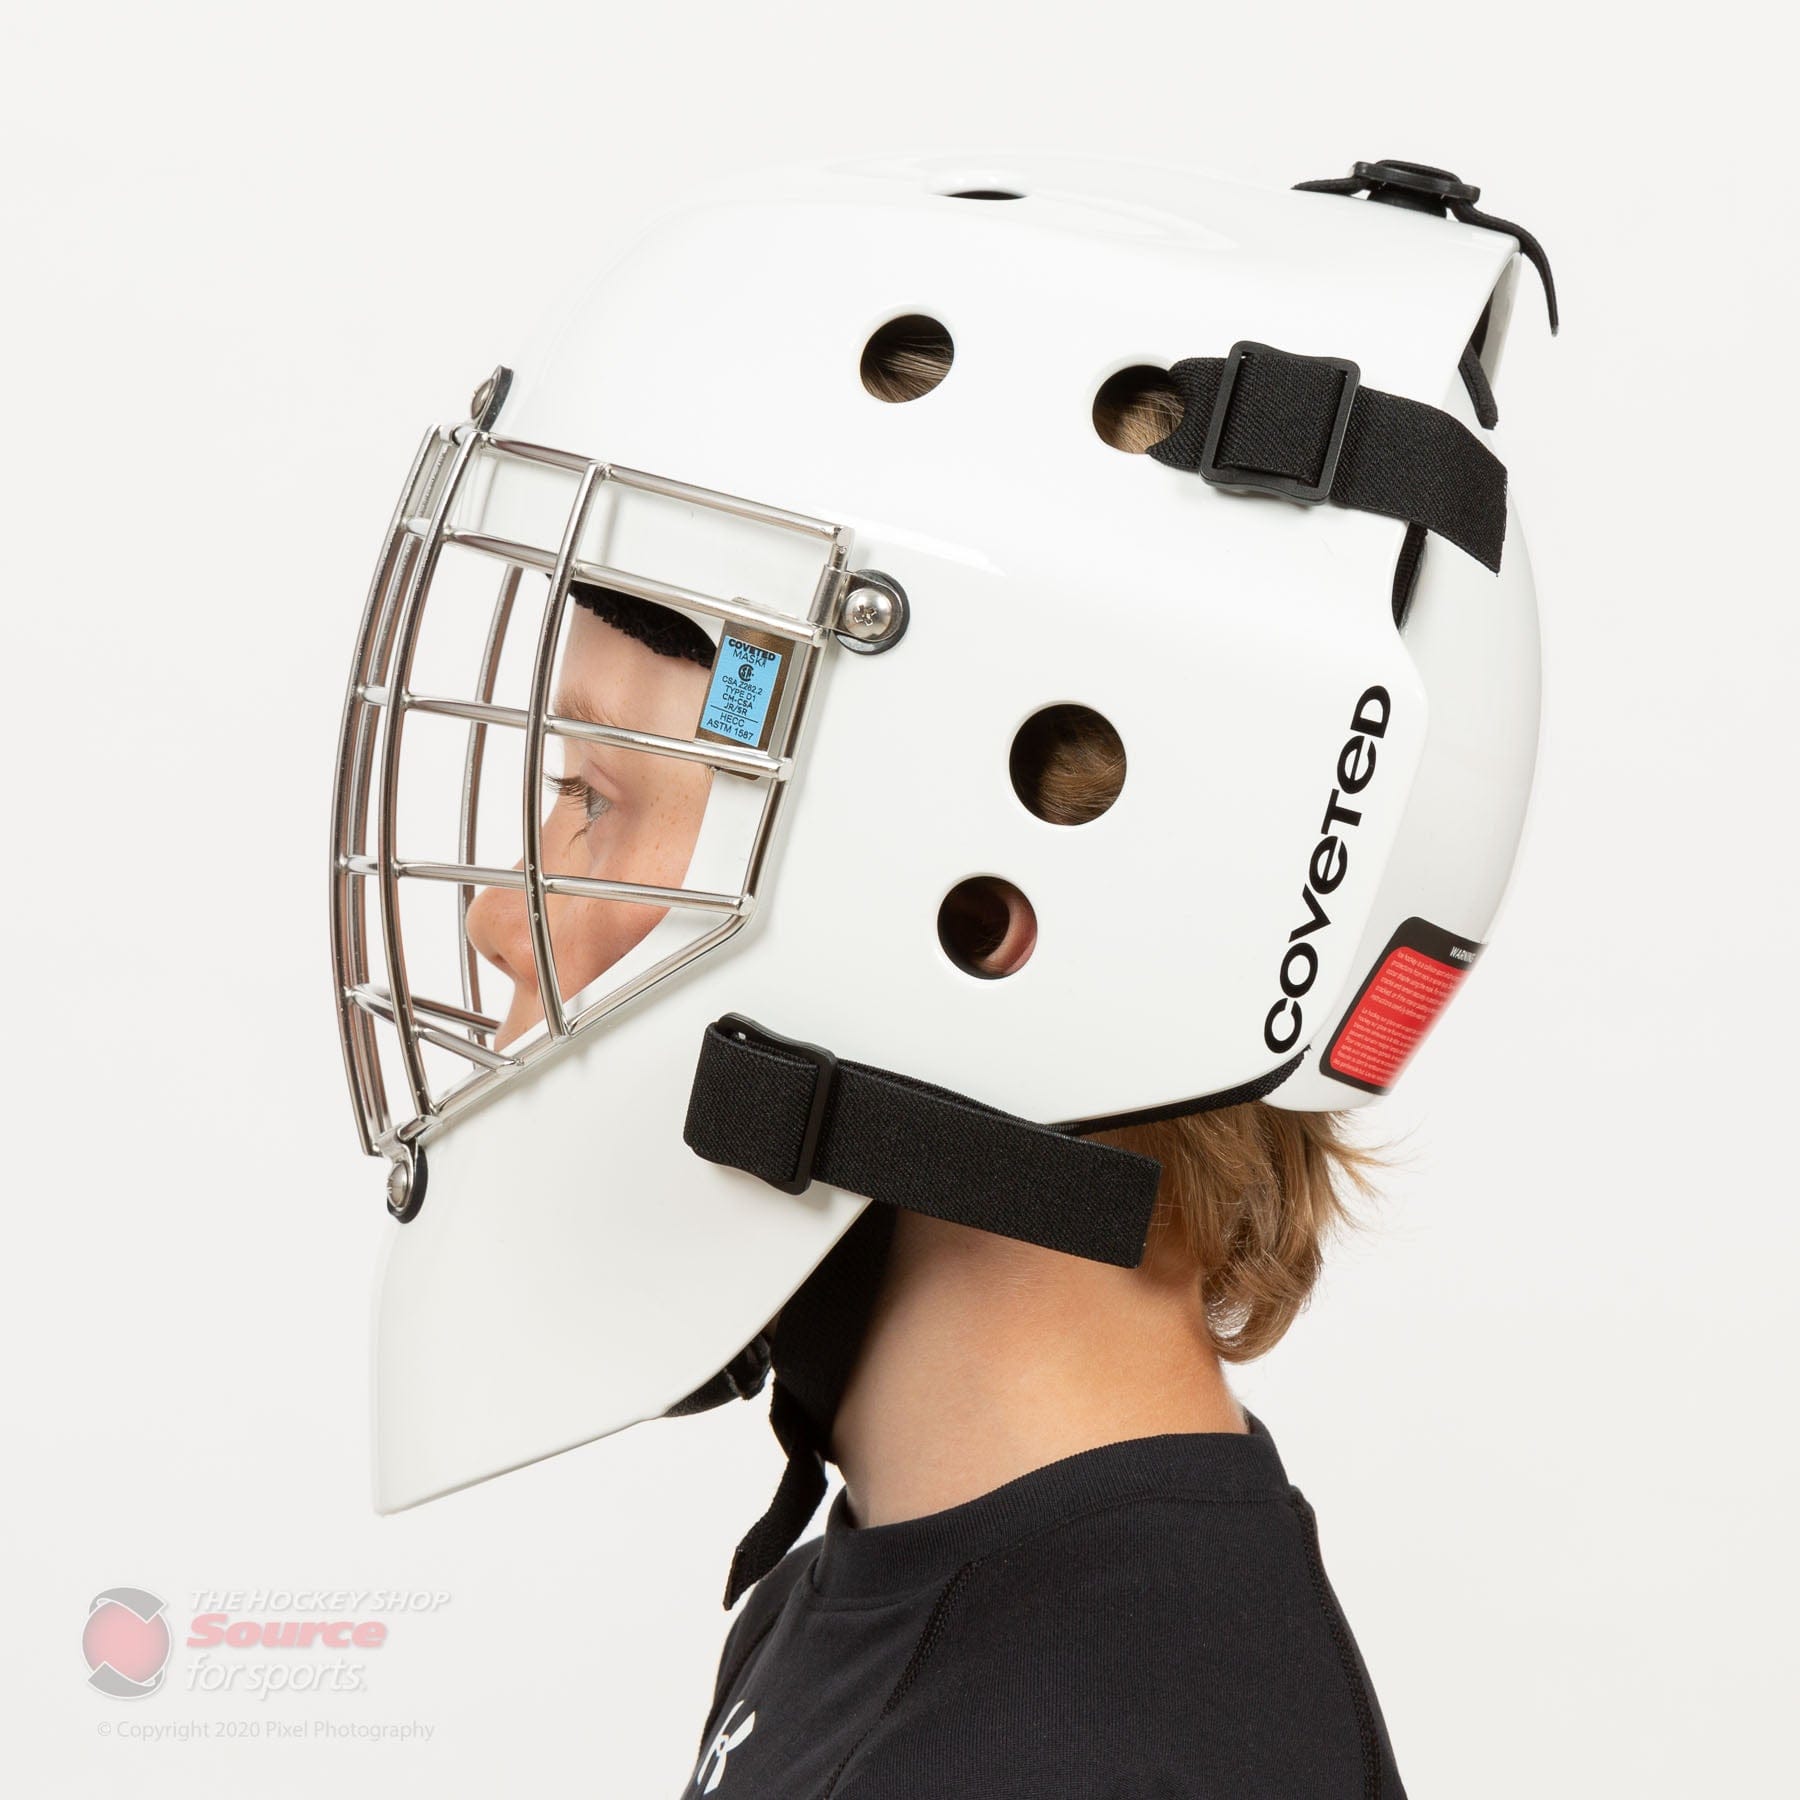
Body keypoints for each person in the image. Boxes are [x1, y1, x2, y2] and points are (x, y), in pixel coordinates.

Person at [328, 153, 1552, 1797]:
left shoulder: (1082, 1749)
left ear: (985, 930)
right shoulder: (934, 1597)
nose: (499, 917)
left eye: (597, 796)